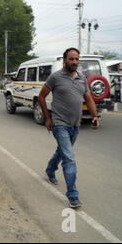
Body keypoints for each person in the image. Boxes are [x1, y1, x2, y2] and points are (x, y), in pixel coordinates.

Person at [38, 47, 100, 209]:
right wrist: (47, 118)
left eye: (76, 59)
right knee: (69, 158)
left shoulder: (82, 78)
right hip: (60, 124)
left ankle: (50, 169)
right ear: (64, 60)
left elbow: (89, 98)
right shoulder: (56, 77)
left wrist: (94, 116)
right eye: (71, 59)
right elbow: (41, 96)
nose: (74, 62)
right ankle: (72, 194)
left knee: (62, 151)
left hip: (75, 124)